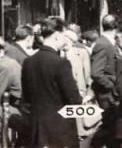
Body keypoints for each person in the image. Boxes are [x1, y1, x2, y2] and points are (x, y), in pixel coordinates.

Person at [20, 16, 82, 148]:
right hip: (60, 131)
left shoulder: (28, 62)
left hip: (36, 130)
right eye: (64, 35)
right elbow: (74, 100)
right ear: (57, 35)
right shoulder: (61, 64)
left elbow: (25, 99)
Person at [91, 14, 120, 148]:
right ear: (116, 27)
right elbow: (96, 73)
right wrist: (111, 87)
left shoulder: (106, 43)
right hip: (107, 94)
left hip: (108, 93)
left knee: (111, 128)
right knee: (110, 128)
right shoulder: (103, 44)